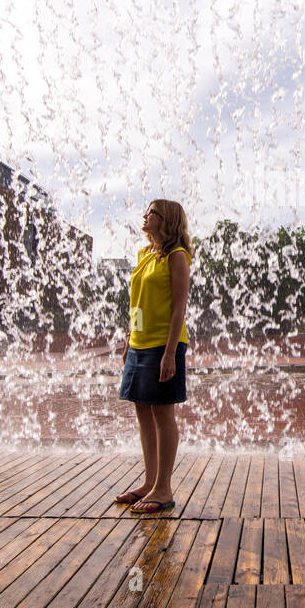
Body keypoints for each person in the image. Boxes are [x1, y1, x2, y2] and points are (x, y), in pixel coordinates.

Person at [114, 199, 192, 515]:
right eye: (146, 211)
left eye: (152, 213)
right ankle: (149, 483)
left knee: (162, 414)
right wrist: (129, 340)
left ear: (167, 220)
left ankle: (164, 488)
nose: (145, 216)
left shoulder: (177, 256)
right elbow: (138, 301)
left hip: (164, 344)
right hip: (140, 343)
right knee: (142, 411)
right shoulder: (144, 255)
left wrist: (171, 352)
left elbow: (179, 308)